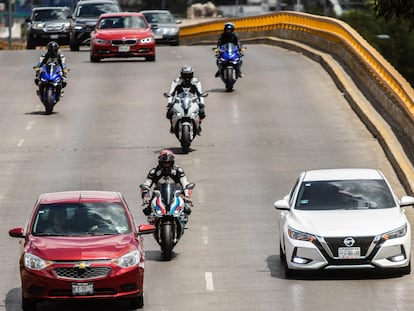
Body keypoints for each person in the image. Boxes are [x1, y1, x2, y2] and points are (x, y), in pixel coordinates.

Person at [140, 149, 193, 217]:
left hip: (176, 194)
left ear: (172, 162)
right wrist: (146, 197)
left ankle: (182, 219)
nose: (166, 165)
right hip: (158, 195)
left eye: (168, 163)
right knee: (148, 211)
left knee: (187, 210)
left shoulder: (178, 171)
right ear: (160, 162)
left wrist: (187, 196)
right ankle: (153, 220)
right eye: (164, 163)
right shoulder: (153, 172)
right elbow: (146, 184)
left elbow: (185, 183)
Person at [166, 66, 206, 135]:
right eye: (185, 75)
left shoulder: (196, 81)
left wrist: (201, 103)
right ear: (181, 74)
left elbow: (200, 93)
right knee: (169, 112)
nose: (187, 77)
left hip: (192, 100)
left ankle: (199, 125)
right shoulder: (176, 81)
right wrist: (170, 103)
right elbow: (171, 93)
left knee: (202, 112)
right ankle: (172, 126)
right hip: (179, 100)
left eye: (189, 74)